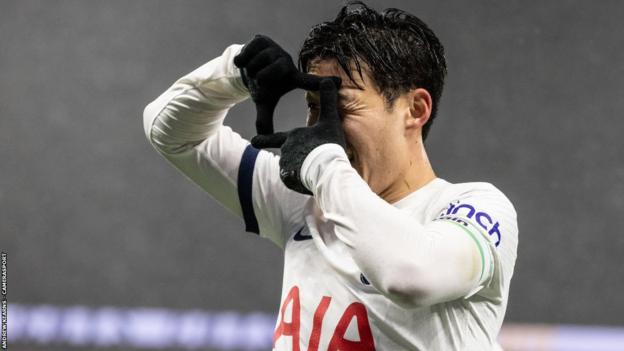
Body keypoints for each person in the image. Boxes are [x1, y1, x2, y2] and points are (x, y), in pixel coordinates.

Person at [143, 2, 517, 350]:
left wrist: (324, 163)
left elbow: (409, 277)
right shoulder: (305, 200)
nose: (323, 127)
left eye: (342, 107)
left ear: (415, 109)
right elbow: (171, 133)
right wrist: (234, 73)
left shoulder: (474, 207)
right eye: (313, 106)